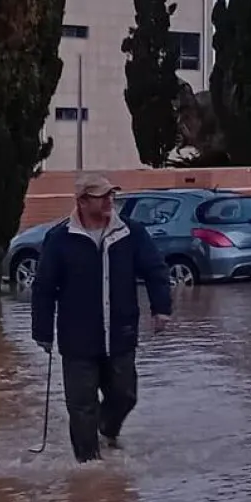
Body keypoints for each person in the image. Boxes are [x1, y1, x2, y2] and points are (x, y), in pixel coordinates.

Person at [31, 173, 173, 462]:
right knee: (81, 406)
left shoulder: (131, 233)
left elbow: (156, 271)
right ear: (82, 201)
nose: (110, 201)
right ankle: (89, 470)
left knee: (125, 395)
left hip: (120, 335)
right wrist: (42, 332)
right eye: (102, 196)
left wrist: (161, 309)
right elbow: (44, 288)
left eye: (112, 195)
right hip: (77, 341)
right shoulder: (59, 239)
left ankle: (106, 431)